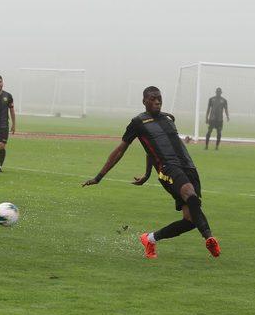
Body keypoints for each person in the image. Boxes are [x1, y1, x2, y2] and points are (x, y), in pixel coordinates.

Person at [82, 86, 221, 259]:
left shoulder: (168, 119)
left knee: (191, 220)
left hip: (189, 167)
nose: (157, 101)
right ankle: (209, 238)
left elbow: (150, 149)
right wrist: (99, 177)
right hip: (168, 169)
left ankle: (150, 239)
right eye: (153, 98)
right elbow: (120, 151)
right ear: (144, 101)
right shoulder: (138, 123)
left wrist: (146, 174)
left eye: (159, 98)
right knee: (191, 196)